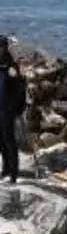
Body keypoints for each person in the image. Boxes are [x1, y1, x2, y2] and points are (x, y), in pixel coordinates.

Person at [0, 48, 27, 183]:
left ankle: (13, 173)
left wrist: (19, 108)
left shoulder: (11, 67)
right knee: (2, 141)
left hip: (7, 109)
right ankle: (5, 169)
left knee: (9, 139)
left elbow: (20, 87)